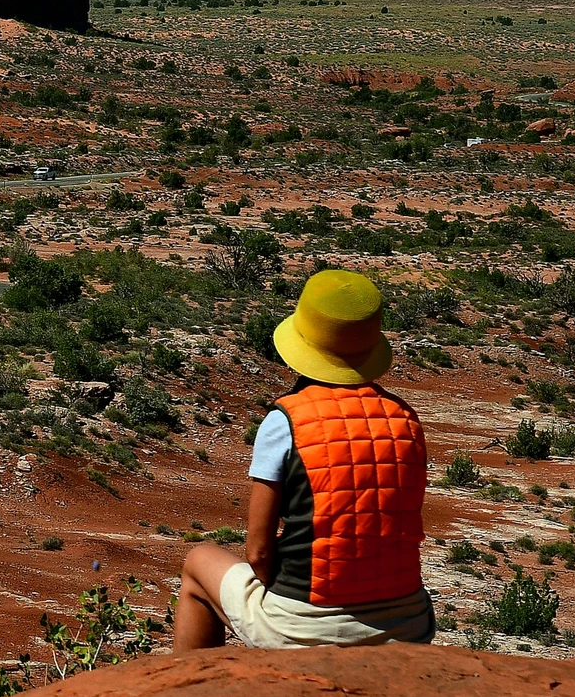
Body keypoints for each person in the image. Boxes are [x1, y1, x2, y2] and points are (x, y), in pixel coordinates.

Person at [175, 268, 435, 649]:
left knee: (199, 562)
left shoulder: (286, 421)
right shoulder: (404, 417)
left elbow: (258, 552)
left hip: (307, 622)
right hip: (408, 620)